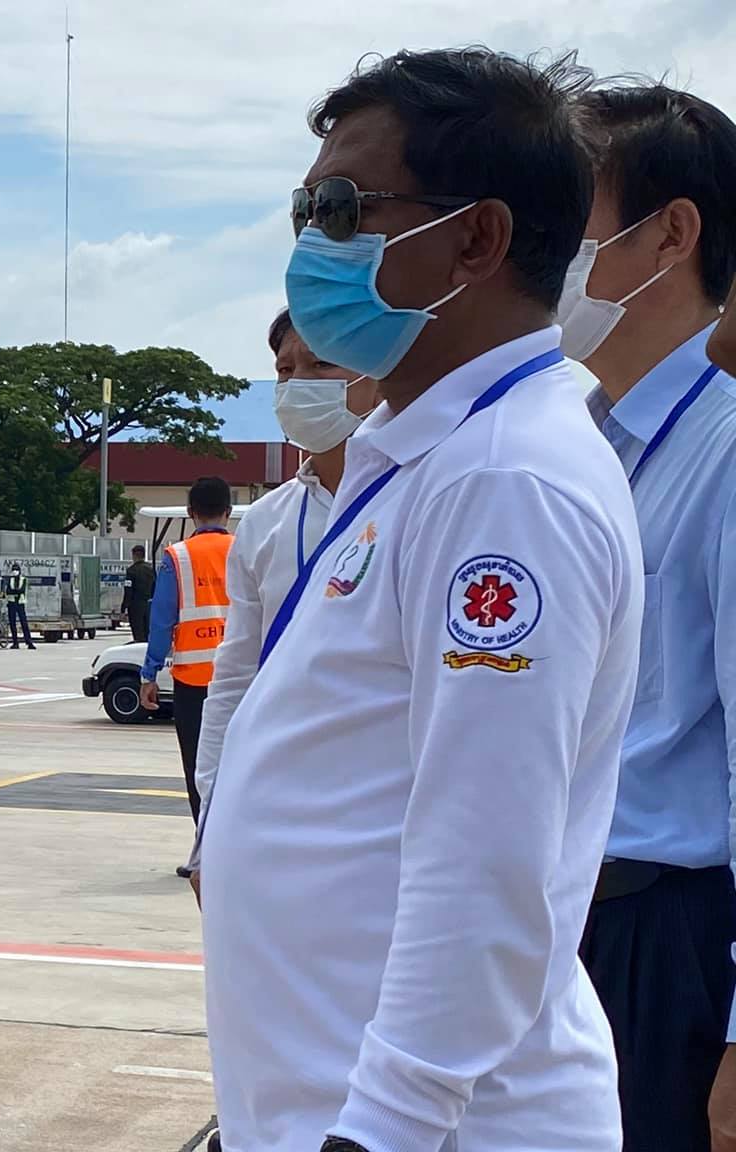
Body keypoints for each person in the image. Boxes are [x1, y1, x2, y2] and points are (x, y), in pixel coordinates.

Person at [204, 49, 642, 1151]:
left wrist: (384, 1127)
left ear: (476, 238)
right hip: (331, 1105)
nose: (309, 247)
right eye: (303, 211)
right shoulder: (425, 456)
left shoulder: (505, 482)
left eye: (342, 210)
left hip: (427, 1127)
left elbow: (484, 858)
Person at [571, 83, 736, 1152]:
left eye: (563, 215)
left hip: (665, 937)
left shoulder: (723, 450)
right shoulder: (579, 443)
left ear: (670, 234)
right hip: (563, 923)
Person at [185, 310, 378, 892]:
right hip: (282, 807)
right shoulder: (267, 522)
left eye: (320, 365)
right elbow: (234, 680)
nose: (298, 385)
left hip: (383, 813)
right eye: (285, 370)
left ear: (376, 369)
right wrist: (210, 825)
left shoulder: (423, 494)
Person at [138, 476, 233, 820]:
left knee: (198, 768)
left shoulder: (177, 557)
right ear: (228, 512)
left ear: (191, 512)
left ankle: (203, 842)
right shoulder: (246, 551)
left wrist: (149, 674)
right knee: (240, 765)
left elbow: (162, 622)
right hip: (240, 678)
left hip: (193, 682)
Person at [122, 545, 155, 642]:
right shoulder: (151, 570)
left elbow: (128, 590)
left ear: (134, 555)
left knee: (138, 633)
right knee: (148, 632)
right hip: (149, 605)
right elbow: (155, 587)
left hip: (135, 606)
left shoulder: (131, 571)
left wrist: (123, 608)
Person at [3, 561, 35, 649]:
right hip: (11, 603)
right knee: (12, 623)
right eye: (13, 570)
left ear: (19, 571)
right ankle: (15, 643)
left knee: (24, 623)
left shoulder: (23, 579)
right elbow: (8, 591)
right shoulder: (10, 580)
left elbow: (22, 590)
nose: (15, 571)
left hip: (20, 603)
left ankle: (29, 642)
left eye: (16, 569)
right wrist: (16, 591)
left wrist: (14, 591)